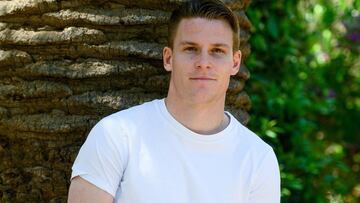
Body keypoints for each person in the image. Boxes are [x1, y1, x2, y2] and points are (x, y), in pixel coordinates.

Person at [67, 0, 281, 202]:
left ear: (235, 63)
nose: (203, 63)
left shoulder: (258, 159)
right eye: (191, 49)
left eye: (217, 51)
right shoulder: (116, 136)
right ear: (168, 58)